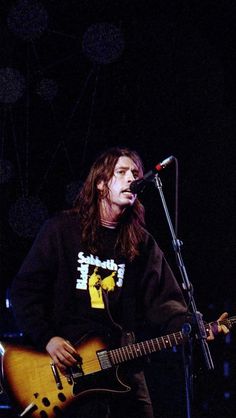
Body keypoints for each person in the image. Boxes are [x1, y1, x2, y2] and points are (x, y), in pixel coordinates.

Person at [10, 147, 229, 418]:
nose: (131, 178)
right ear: (101, 183)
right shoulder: (61, 230)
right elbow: (23, 292)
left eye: (135, 173)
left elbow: (164, 303)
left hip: (123, 364)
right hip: (71, 366)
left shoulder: (141, 243)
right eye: (122, 172)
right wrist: (48, 338)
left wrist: (192, 325)